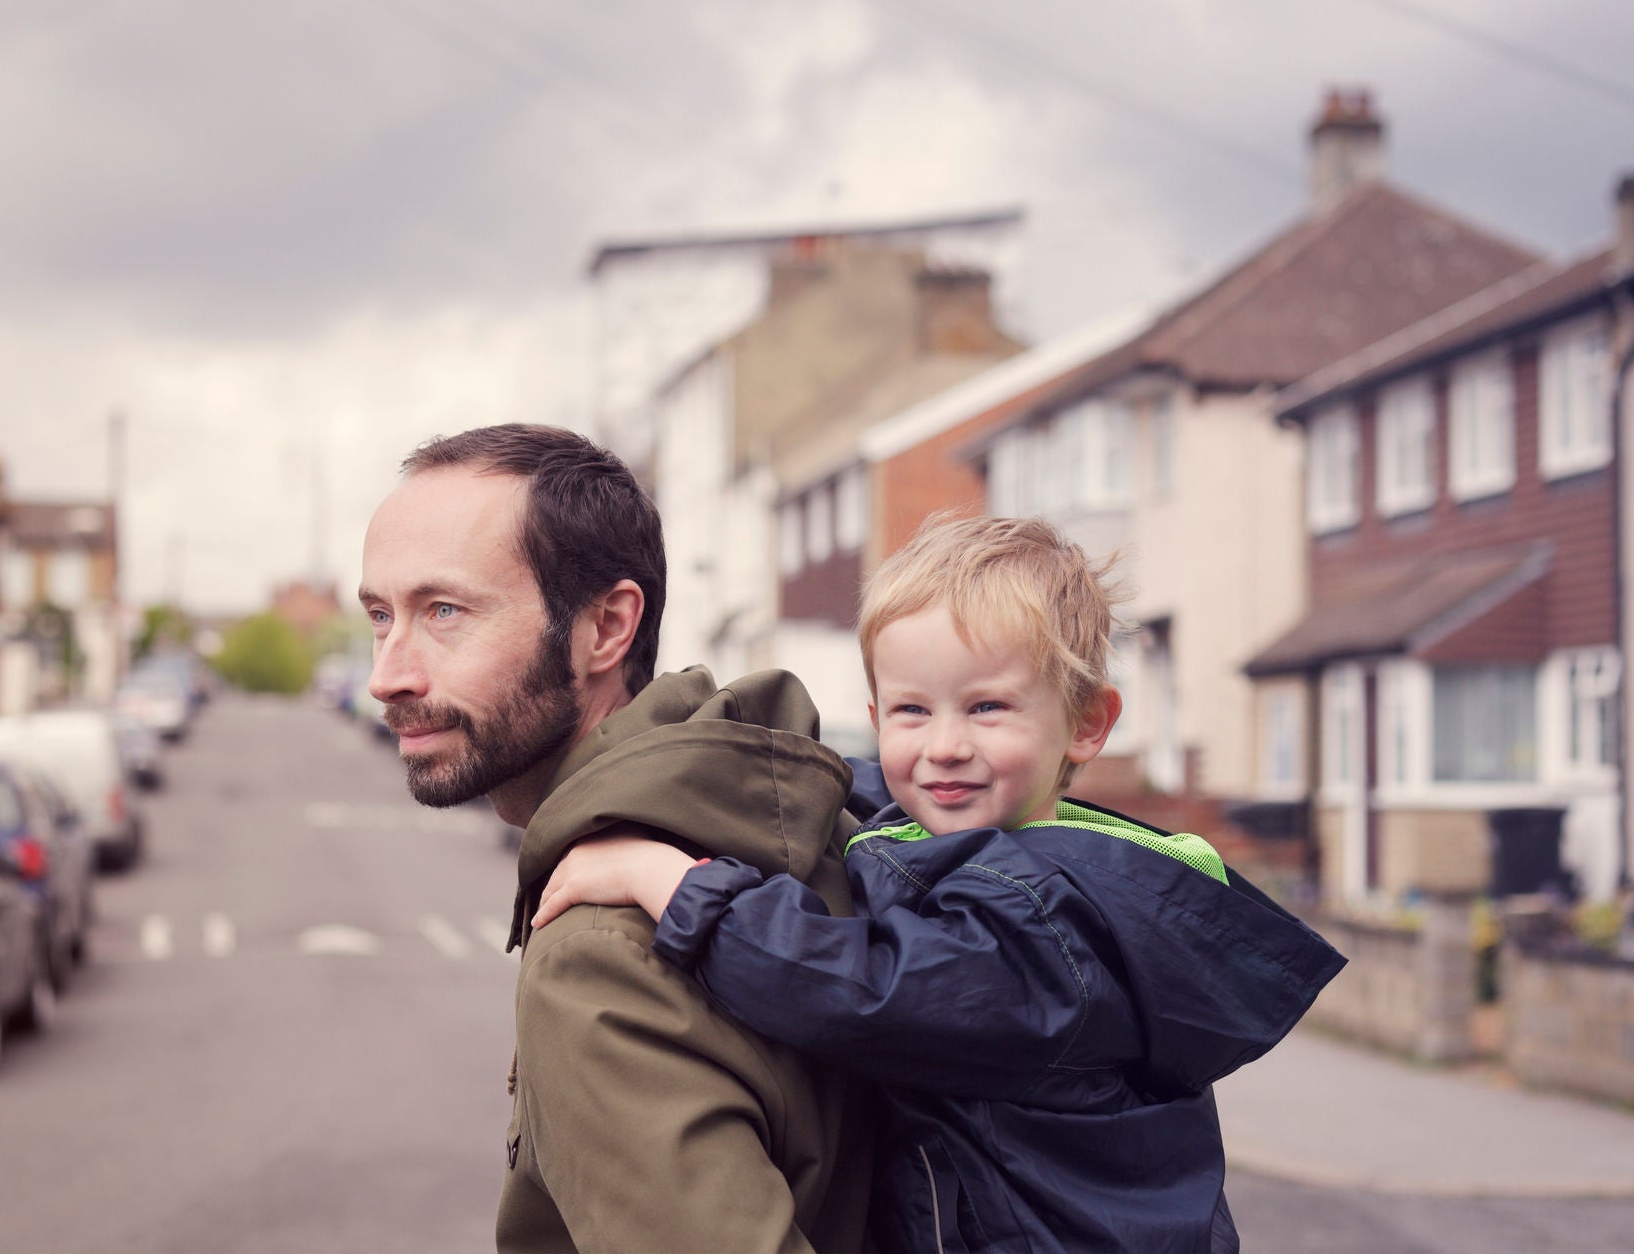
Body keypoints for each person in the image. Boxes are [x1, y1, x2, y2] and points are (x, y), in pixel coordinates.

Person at [534, 514, 1347, 1253]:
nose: (944, 746)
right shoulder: (996, 830)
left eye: (988, 707)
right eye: (912, 712)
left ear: (1088, 722)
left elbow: (860, 989)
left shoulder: (1044, 920)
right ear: (878, 714)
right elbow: (880, 799)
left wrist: (674, 883)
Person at [360, 423, 874, 1254]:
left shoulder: (599, 949)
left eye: (444, 611)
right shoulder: (770, 811)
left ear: (606, 627)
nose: (387, 672)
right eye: (381, 615)